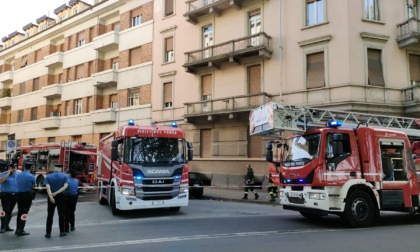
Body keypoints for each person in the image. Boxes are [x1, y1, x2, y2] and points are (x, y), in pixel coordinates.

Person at [44, 164, 68, 238]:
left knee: (50, 215)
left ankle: (48, 233)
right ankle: (62, 232)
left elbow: (48, 188)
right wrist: (57, 192)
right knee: (61, 214)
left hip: (51, 196)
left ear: (54, 168)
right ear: (61, 169)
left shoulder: (48, 176)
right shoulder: (64, 176)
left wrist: (51, 197)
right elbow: (65, 186)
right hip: (61, 196)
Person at [15, 160, 36, 236]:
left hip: (18, 194)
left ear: (24, 166)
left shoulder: (18, 175)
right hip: (27, 196)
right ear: (31, 167)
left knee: (19, 211)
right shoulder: (31, 176)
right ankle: (21, 230)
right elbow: (33, 186)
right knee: (24, 213)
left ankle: (17, 229)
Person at [0, 163, 17, 233]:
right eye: (12, 168)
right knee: (5, 210)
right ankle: (2, 227)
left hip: (14, 195)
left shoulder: (17, 175)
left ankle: (7, 226)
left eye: (14, 168)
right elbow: (0, 181)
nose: (14, 169)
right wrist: (8, 173)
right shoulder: (3, 174)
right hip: (5, 195)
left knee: (10, 211)